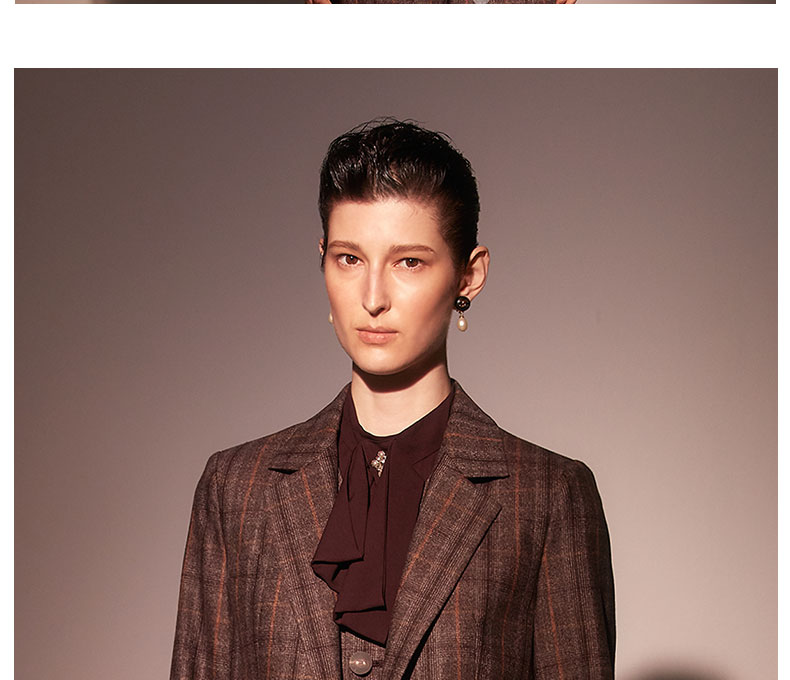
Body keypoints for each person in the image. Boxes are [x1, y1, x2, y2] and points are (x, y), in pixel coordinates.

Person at [170, 119, 615, 679]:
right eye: (349, 258)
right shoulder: (236, 489)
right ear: (322, 260)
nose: (373, 297)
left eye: (409, 262)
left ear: (469, 276)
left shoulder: (547, 497)